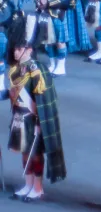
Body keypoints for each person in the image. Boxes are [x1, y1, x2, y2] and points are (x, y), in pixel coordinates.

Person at [6, 14, 67, 201]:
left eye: (19, 49)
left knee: (36, 154)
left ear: (29, 49)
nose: (16, 52)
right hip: (19, 117)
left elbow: (43, 98)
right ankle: (28, 184)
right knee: (25, 153)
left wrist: (40, 122)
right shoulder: (15, 69)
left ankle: (38, 187)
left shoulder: (38, 70)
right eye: (15, 49)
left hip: (34, 118)